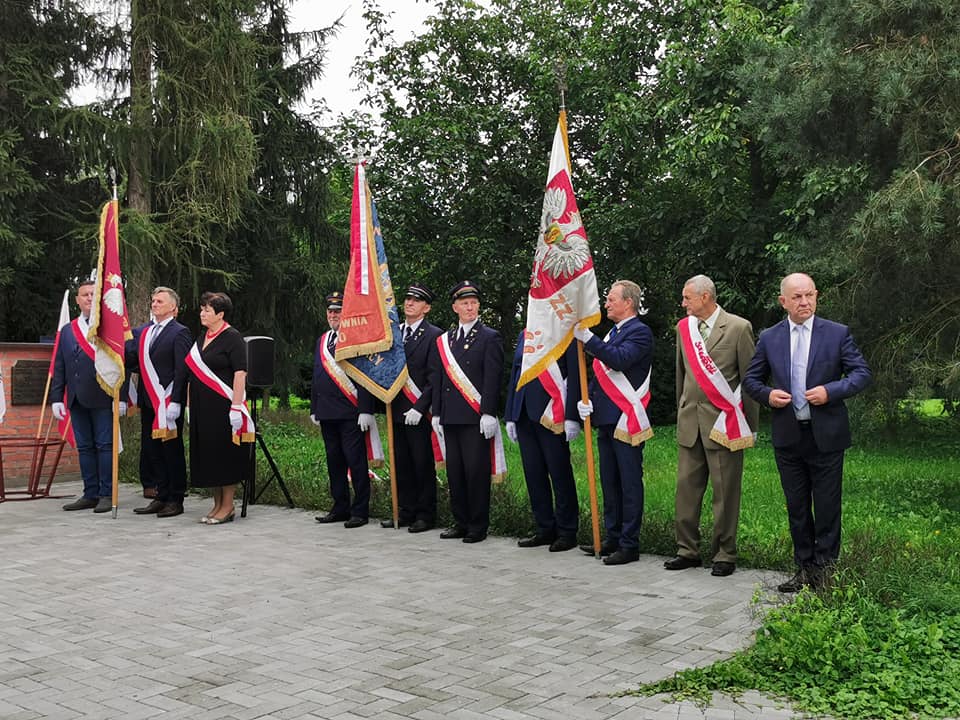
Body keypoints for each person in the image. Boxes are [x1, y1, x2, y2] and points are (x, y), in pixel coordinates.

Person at [743, 273, 872, 592]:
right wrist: (768, 395)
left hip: (826, 435)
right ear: (783, 301)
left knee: (827, 506)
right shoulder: (770, 337)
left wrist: (831, 390)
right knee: (797, 506)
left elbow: (861, 373)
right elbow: (751, 380)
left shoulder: (837, 333)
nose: (805, 302)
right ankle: (803, 569)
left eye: (810, 295)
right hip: (789, 435)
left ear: (816, 296)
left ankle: (825, 572)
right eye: (797, 297)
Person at [666, 274, 759, 577]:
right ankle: (687, 550)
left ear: (705, 297)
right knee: (686, 490)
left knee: (725, 492)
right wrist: (680, 410)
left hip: (724, 424)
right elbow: (683, 375)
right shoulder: (684, 330)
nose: (683, 304)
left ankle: (724, 553)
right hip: (690, 422)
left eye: (687, 298)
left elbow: (750, 380)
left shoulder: (738, 327)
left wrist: (749, 427)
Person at [574, 280, 654, 565]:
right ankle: (613, 537)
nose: (606, 303)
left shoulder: (640, 332)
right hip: (607, 417)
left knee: (629, 483)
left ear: (628, 303)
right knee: (610, 481)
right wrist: (589, 402)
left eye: (611, 299)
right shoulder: (613, 332)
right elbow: (600, 373)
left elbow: (620, 360)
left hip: (626, 418)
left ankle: (630, 544)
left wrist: (589, 339)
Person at [431, 281, 504, 544]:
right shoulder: (445, 340)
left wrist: (488, 412)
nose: (470, 307)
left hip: (475, 417)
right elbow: (438, 378)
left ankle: (477, 525)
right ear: (455, 307)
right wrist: (437, 413)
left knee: (475, 472)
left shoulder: (489, 337)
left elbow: (493, 377)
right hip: (450, 416)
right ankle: (460, 521)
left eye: (473, 303)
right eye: (464, 303)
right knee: (456, 472)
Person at [504, 330, 582, 552]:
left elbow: (575, 376)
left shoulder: (566, 332)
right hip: (524, 414)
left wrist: (571, 417)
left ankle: (567, 531)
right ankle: (544, 527)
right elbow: (516, 373)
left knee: (559, 474)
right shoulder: (524, 334)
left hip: (552, 413)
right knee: (534, 474)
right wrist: (510, 413)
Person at [52, 279, 122, 514]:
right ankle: (90, 493)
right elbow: (59, 365)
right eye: (84, 295)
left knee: (104, 446)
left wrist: (121, 396)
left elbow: (121, 360)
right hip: (75, 398)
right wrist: (55, 398)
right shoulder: (67, 330)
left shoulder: (108, 327)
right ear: (77, 300)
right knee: (84, 447)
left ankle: (105, 493)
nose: (89, 298)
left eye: (93, 294)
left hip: (103, 396)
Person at [183, 292, 252, 524]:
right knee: (208, 454)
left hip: (223, 405)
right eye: (201, 309)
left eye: (207, 310)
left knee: (224, 454)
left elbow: (240, 373)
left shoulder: (232, 337)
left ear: (220, 314)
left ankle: (228, 505)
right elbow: (193, 372)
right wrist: (189, 406)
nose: (202, 313)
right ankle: (216, 504)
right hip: (202, 406)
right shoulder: (202, 337)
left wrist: (236, 406)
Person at [382, 283, 443, 533]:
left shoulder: (434, 335)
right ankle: (405, 511)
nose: (409, 303)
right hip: (396, 408)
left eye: (416, 300)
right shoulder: (393, 332)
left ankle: (425, 515)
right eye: (407, 299)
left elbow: (434, 377)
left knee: (421, 464)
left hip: (419, 412)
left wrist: (420, 407)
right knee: (401, 464)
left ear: (426, 308)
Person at [126, 287, 192, 518]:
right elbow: (133, 361)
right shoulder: (145, 332)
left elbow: (181, 370)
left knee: (170, 451)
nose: (154, 304)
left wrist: (176, 401)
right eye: (153, 301)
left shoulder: (180, 332)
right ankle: (160, 495)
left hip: (168, 404)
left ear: (173, 308)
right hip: (148, 401)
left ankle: (176, 498)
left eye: (160, 301)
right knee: (152, 449)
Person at [311, 291, 375, 528]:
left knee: (355, 462)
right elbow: (317, 375)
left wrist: (366, 409)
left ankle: (360, 511)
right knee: (334, 462)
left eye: (338, 311)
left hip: (351, 413)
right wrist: (314, 408)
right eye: (330, 311)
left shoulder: (356, 339)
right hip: (327, 412)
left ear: (346, 314)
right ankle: (340, 507)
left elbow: (365, 376)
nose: (333, 315)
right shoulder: (322, 339)